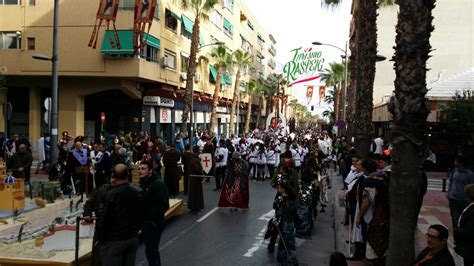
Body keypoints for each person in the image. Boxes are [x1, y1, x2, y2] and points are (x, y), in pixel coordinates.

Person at [96, 164, 143, 266]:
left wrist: (100, 239)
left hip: (114, 240)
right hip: (132, 237)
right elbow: (142, 214)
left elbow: (102, 219)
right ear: (128, 174)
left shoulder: (110, 195)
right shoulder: (138, 191)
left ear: (114, 176)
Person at [139, 160, 169, 266]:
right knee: (151, 251)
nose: (140, 171)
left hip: (154, 223)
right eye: (139, 168)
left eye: (143, 169)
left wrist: (150, 217)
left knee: (151, 251)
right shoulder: (145, 182)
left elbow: (164, 205)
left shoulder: (158, 184)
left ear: (150, 170)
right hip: (147, 223)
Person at [273, 175, 298, 266]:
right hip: (290, 224)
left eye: (279, 188)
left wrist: (276, 221)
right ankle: (291, 259)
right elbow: (295, 212)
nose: (277, 189)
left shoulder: (280, 199)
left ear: (283, 189)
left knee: (285, 244)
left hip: (284, 224)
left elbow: (278, 211)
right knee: (289, 243)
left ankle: (286, 261)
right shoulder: (292, 199)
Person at [447, 155, 474, 230]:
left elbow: (472, 186)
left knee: (462, 217)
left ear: (461, 163)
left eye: (456, 161)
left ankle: (461, 230)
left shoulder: (469, 174)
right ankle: (456, 230)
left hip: (464, 199)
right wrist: (449, 192)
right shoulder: (455, 170)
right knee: (454, 217)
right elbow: (451, 181)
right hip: (453, 198)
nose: (454, 162)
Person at [454, 184, 474, 266]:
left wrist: (457, 231)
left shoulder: (472, 211)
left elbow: (469, 231)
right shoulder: (471, 207)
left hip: (470, 247)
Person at [185, 146, 204, 212]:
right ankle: (195, 206)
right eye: (199, 150)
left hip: (194, 178)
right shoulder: (194, 159)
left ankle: (194, 206)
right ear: (197, 151)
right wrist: (201, 174)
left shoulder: (193, 158)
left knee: (194, 193)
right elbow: (197, 170)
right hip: (195, 178)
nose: (200, 151)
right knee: (195, 193)